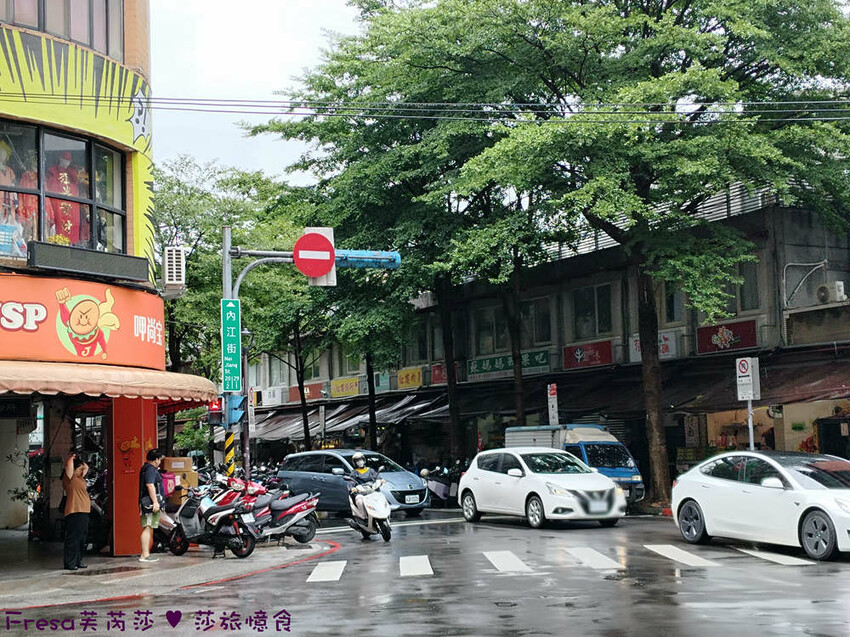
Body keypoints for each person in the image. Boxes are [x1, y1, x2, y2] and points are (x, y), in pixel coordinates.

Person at [61, 452, 91, 571]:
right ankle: (70, 562)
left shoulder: (80, 479)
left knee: (81, 538)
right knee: (73, 538)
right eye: (79, 469)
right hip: (74, 510)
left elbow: (87, 467)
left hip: (84, 510)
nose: (81, 471)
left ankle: (78, 560)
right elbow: (68, 466)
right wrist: (72, 458)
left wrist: (81, 460)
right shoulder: (69, 478)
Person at [138, 448, 164, 563]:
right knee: (147, 527)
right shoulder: (150, 470)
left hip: (147, 502)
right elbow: (150, 485)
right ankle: (144, 554)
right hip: (149, 503)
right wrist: (155, 502)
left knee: (148, 527)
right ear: (156, 459)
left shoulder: (145, 468)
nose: (160, 462)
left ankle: (145, 553)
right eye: (160, 460)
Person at [347, 451, 382, 521]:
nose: (360, 462)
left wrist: (381, 480)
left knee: (381, 497)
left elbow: (377, 477)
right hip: (361, 493)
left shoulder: (370, 470)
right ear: (355, 462)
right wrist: (352, 488)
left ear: (364, 460)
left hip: (372, 491)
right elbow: (351, 482)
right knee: (359, 500)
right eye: (357, 460)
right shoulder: (354, 473)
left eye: (360, 459)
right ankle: (364, 517)